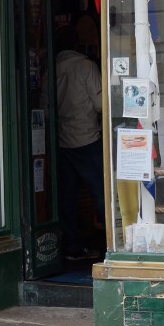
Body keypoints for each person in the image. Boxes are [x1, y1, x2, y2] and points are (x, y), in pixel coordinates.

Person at [54, 26, 105, 261]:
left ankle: (73, 246)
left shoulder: (51, 67)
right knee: (101, 191)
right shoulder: (86, 66)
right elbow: (101, 104)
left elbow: (46, 106)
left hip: (62, 140)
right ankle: (111, 242)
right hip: (87, 138)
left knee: (67, 196)